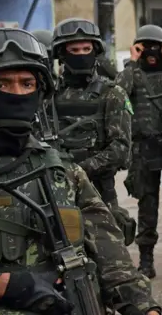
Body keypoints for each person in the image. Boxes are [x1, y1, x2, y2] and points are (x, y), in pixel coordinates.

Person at [0, 27, 161, 315]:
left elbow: (113, 260)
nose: (17, 94)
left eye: (27, 84)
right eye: (1, 85)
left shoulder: (62, 172)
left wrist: (143, 307)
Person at [50, 18, 136, 246]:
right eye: (74, 49)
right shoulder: (49, 96)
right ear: (61, 53)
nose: (81, 54)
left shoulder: (112, 94)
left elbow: (121, 150)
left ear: (95, 51)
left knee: (112, 268)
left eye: (86, 49)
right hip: (57, 194)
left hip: (100, 194)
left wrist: (79, 170)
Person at [115, 24, 162, 279]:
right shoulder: (132, 74)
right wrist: (132, 62)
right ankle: (146, 261)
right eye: (146, 46)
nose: (152, 52)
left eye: (156, 46)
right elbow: (117, 94)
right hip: (144, 147)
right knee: (147, 207)